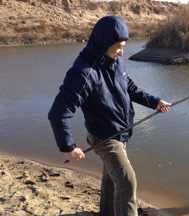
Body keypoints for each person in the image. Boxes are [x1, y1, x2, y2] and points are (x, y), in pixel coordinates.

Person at [48, 16, 171, 216]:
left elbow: (129, 88)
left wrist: (154, 102)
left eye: (123, 46)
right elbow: (58, 113)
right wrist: (68, 147)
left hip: (121, 132)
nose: (122, 51)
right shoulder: (83, 73)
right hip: (105, 138)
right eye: (118, 47)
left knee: (112, 179)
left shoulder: (115, 60)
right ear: (103, 44)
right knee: (127, 181)